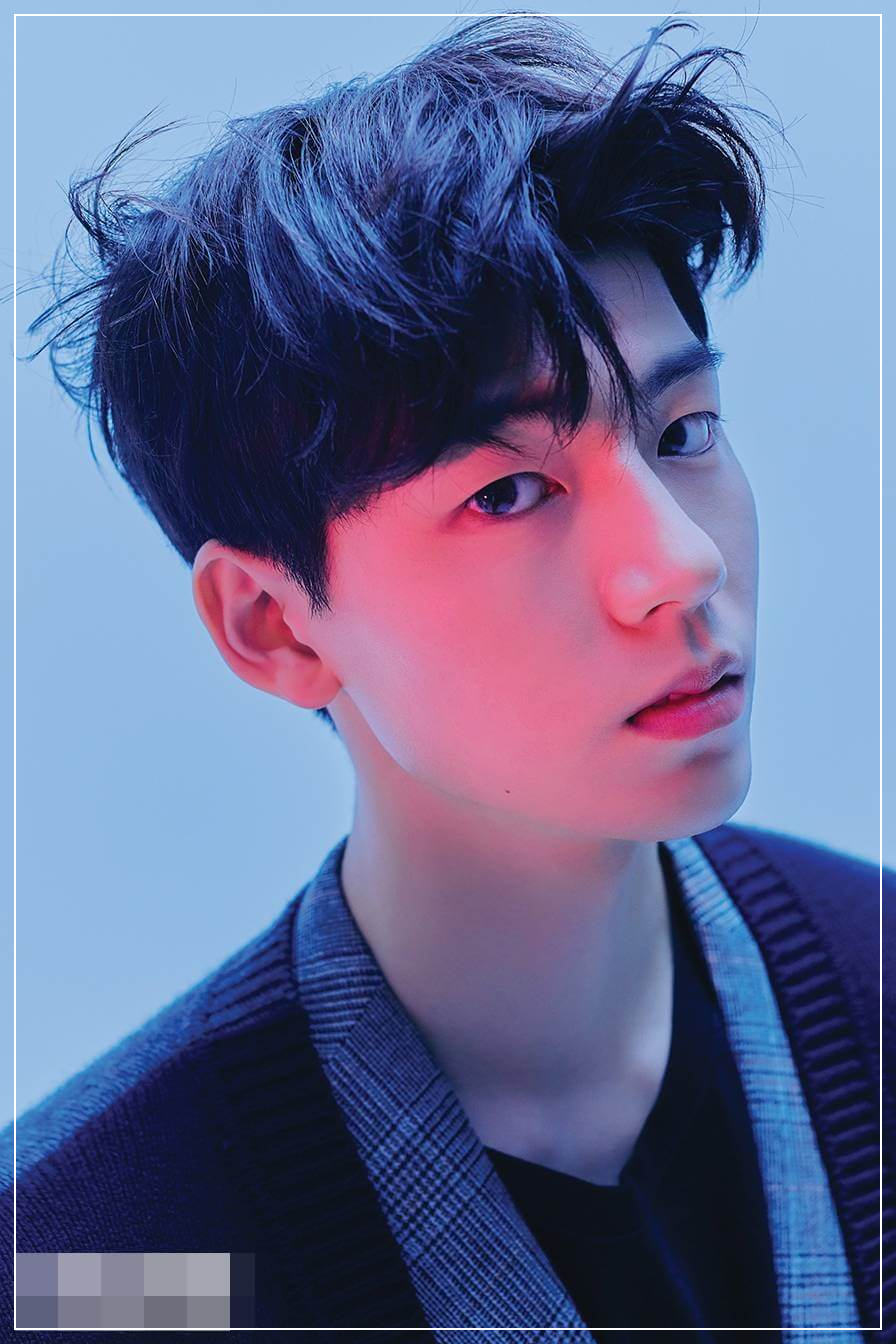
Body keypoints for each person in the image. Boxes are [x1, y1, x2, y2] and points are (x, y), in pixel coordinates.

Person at [3, 13, 892, 1339]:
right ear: (273, 625)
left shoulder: (876, 985)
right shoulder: (91, 1258)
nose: (681, 561)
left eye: (684, 431)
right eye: (509, 493)